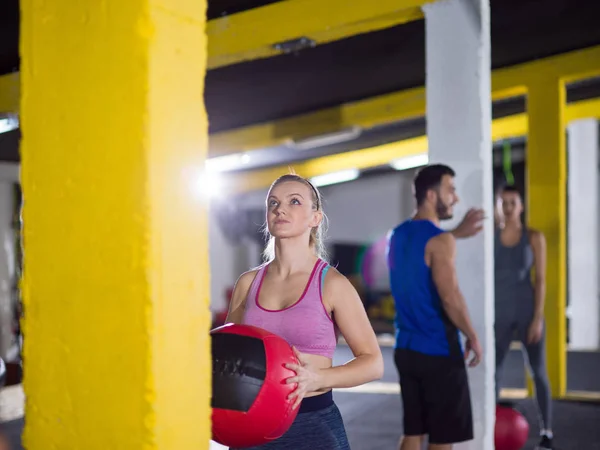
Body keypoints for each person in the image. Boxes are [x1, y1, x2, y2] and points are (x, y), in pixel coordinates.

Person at [225, 173, 384, 450]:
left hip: (311, 423)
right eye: (273, 203)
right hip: (250, 423)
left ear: (315, 218)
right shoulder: (248, 283)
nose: (280, 209)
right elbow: (228, 357)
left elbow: (373, 362)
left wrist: (319, 378)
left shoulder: (332, 284)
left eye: (294, 201)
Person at [386, 164, 484, 450]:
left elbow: (422, 251)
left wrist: (455, 234)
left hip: (405, 348)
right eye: (450, 189)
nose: (455, 197)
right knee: (442, 438)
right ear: (431, 195)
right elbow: (450, 297)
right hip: (438, 351)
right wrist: (472, 336)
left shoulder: (397, 235)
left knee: (413, 432)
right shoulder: (440, 241)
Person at [495, 184, 553, 450]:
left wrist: (537, 318)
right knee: (493, 371)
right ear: (498, 206)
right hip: (500, 313)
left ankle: (546, 432)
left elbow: (540, 280)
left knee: (538, 371)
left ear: (521, 206)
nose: (508, 208)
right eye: (503, 202)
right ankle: (491, 429)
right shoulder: (490, 237)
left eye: (512, 202)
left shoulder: (533, 237)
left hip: (527, 309)